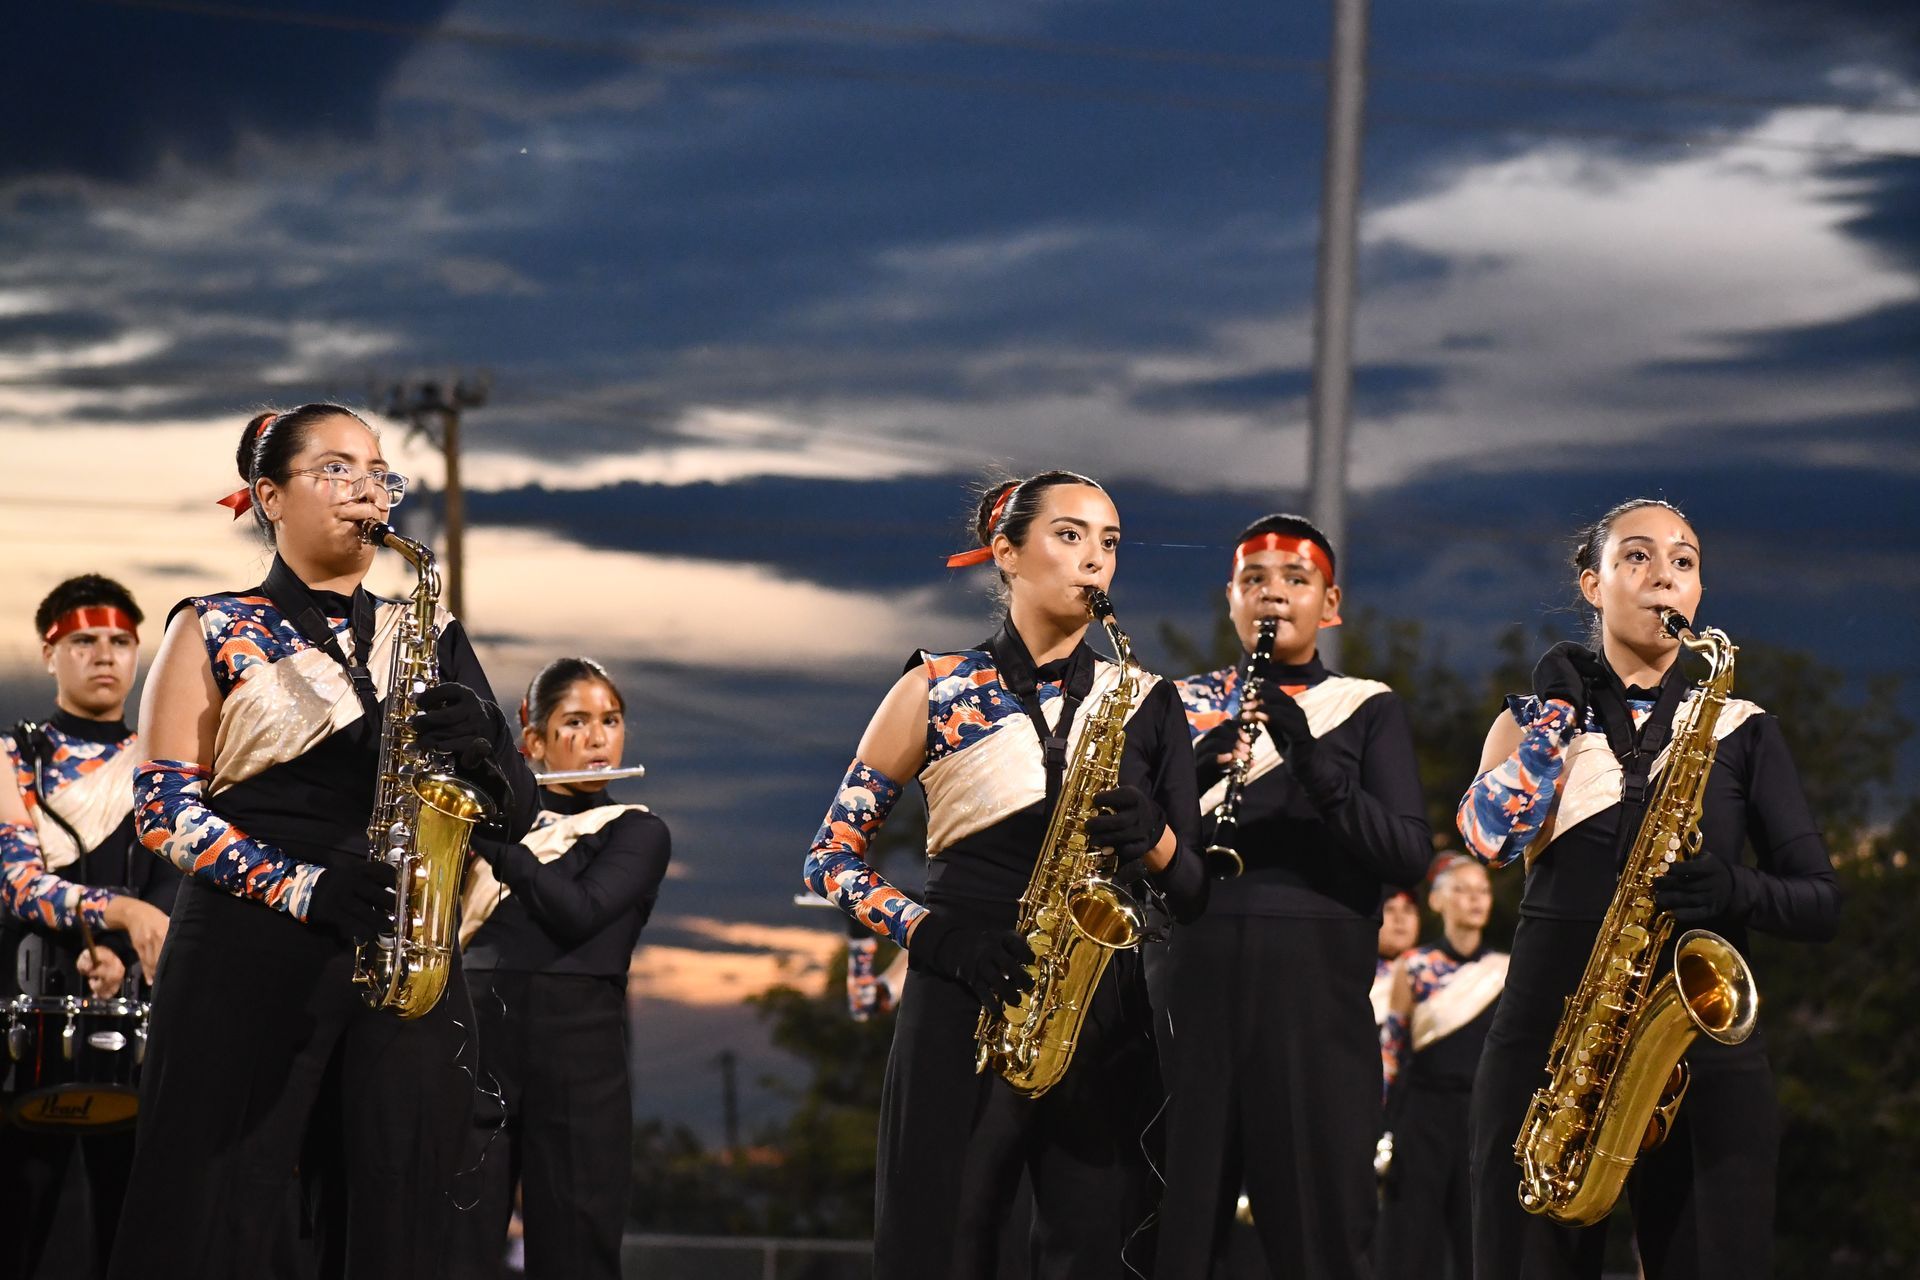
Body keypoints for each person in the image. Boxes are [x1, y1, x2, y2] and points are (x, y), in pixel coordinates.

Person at [107, 403, 539, 1280]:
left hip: (403, 945)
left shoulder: (431, 632)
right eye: (337, 469)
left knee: (400, 1203)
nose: (366, 488)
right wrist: (302, 887)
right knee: (214, 1205)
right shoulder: (211, 623)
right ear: (269, 495)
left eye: (379, 471)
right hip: (247, 946)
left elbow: (516, 814)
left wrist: (484, 744)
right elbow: (161, 809)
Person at [802, 471, 1207, 1279]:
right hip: (963, 993)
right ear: (1006, 553)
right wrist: (935, 935)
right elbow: (830, 858)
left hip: (1100, 1007)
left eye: (1110, 542)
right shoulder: (936, 686)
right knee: (942, 1243)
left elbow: (1194, 891)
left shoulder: (1149, 699)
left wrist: (1155, 839)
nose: (1095, 559)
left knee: (1096, 1250)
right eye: (1069, 535)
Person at [1456, 497, 1840, 1280]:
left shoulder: (1739, 727)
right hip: (1547, 1050)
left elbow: (1819, 900)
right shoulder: (1532, 723)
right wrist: (1555, 722)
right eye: (1637, 556)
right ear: (1592, 584)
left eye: (1684, 561)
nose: (1664, 574)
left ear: (1698, 596)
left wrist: (1734, 888)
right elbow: (1485, 840)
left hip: (1698, 1052)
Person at [1155, 512, 1431, 1279]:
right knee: (1172, 1232)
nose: (1273, 596)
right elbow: (1133, 857)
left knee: (1321, 1235)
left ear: (1330, 605)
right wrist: (1198, 772)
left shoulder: (1368, 706)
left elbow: (1406, 851)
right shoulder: (1176, 704)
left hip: (1315, 999)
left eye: (1295, 581)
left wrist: (1307, 755)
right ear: (1231, 601)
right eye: (1254, 581)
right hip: (1190, 986)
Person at [449, 657, 670, 1280]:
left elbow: (580, 912)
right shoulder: (488, 824)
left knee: (575, 1249)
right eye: (575, 722)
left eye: (611, 719)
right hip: (476, 1040)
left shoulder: (637, 831)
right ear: (535, 743)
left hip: (581, 1053)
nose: (599, 738)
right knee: (454, 1244)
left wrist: (496, 849)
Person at [1, 575, 180, 1279]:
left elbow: (174, 885)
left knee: (130, 1238)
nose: (104, 656)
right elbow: (15, 884)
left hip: (136, 1035)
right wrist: (122, 915)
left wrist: (132, 952)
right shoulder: (13, 760)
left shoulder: (161, 773)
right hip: (24, 1032)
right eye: (83, 641)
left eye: (119, 642)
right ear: (50, 653)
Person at [1376, 855, 1506, 1280]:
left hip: (1482, 1118)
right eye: (1463, 890)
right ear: (1437, 900)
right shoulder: (1412, 967)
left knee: (1481, 1239)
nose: (1474, 899)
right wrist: (1380, 1124)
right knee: (1413, 1241)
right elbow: (1391, 1051)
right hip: (1423, 1118)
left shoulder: (1505, 970)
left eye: (1482, 890)